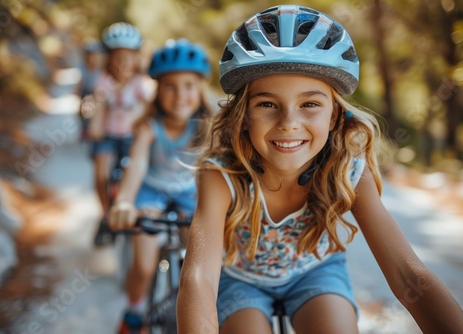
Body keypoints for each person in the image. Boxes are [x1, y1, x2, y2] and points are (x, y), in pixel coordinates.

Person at [177, 5, 463, 334]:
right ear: (243, 116)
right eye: (267, 104)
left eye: (310, 104)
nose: (289, 123)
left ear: (334, 117)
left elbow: (408, 274)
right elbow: (198, 278)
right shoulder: (221, 175)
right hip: (241, 280)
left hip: (316, 273)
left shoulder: (348, 171)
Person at [108, 38, 214, 333]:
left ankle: (194, 311)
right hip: (150, 190)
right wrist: (124, 202)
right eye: (170, 86)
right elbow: (138, 163)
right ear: (157, 90)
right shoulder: (149, 125)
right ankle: (133, 311)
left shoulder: (207, 125)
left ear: (200, 89)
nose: (180, 95)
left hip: (187, 192)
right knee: (143, 263)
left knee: (197, 262)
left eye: (189, 85)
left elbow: (217, 166)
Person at [88, 22, 151, 245]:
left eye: (128, 57)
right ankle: (105, 213)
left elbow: (147, 108)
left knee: (131, 171)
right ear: (109, 59)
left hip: (130, 136)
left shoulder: (139, 83)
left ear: (136, 58)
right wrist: (94, 126)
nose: (123, 62)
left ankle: (127, 206)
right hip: (107, 134)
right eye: (117, 57)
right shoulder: (104, 80)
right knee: (101, 174)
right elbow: (99, 105)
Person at [77, 38, 105, 141]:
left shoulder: (100, 68)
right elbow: (80, 80)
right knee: (82, 107)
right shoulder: (83, 67)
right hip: (85, 90)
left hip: (96, 91)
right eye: (89, 55)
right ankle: (84, 127)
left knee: (96, 107)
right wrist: (77, 92)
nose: (91, 58)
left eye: (94, 55)